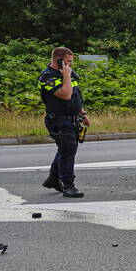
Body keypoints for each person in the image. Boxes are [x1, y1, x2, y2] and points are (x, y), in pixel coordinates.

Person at [38, 46, 88, 197]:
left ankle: (53, 179)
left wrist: (82, 113)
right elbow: (65, 95)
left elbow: (74, 97)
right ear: (58, 60)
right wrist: (66, 75)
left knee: (64, 149)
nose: (71, 65)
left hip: (72, 118)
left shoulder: (67, 73)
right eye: (68, 61)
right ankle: (68, 185)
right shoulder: (47, 77)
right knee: (68, 150)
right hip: (58, 120)